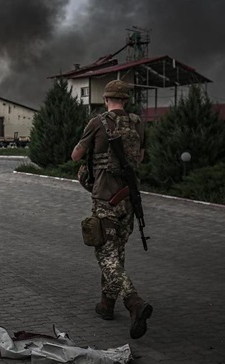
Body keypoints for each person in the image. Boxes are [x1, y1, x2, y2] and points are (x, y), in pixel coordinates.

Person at [71, 79, 153, 339]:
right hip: (129, 200)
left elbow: (75, 155)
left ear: (106, 99)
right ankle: (107, 305)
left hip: (106, 199)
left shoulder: (98, 123)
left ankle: (133, 302)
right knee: (117, 250)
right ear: (126, 100)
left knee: (105, 256)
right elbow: (140, 157)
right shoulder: (138, 124)